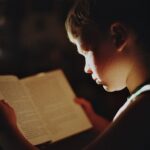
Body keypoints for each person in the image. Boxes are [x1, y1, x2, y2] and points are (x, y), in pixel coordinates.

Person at [0, 0, 150, 149]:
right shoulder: (141, 103)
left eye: (86, 52)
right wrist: (93, 121)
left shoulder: (143, 108)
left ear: (117, 37)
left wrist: (9, 131)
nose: (86, 68)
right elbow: (126, 141)